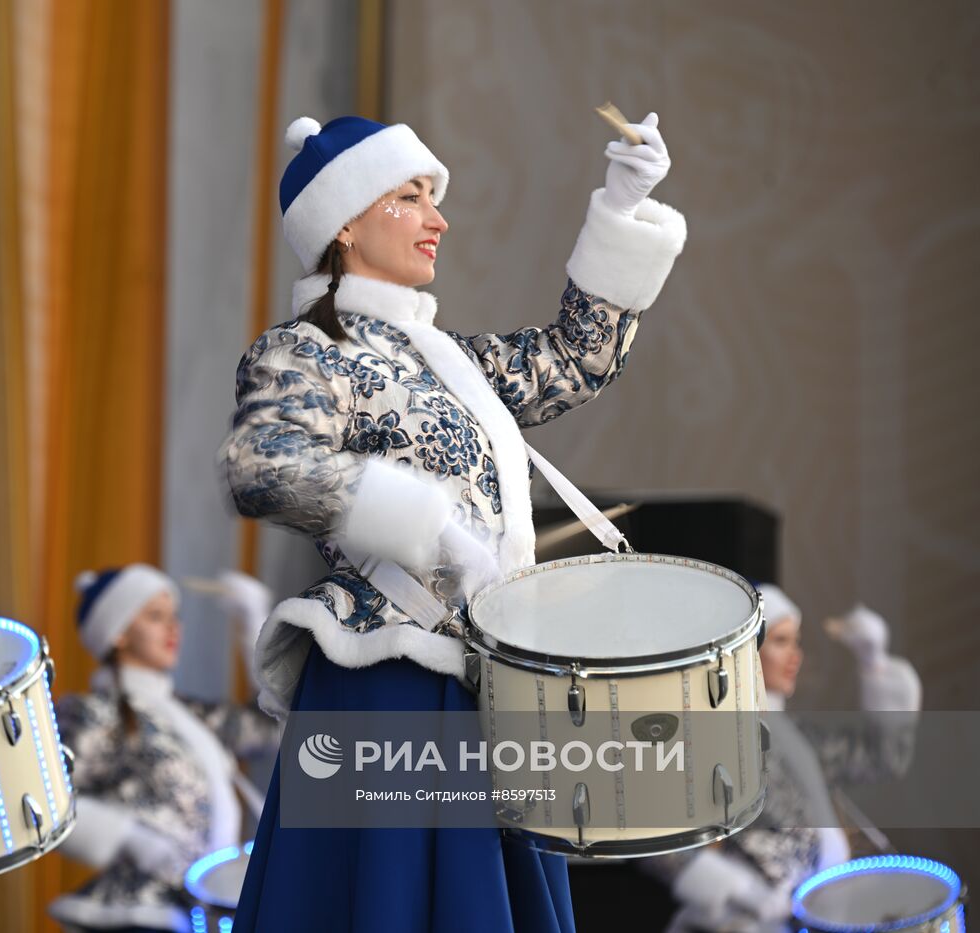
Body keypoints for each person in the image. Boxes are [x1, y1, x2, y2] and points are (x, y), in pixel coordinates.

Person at [219, 112, 686, 931]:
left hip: (486, 684)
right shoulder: (301, 350)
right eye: (411, 196)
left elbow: (570, 361)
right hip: (386, 677)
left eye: (434, 197)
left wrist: (621, 208)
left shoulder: (452, 359)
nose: (439, 219)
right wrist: (421, 523)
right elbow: (261, 466)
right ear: (345, 224)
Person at [650, 584, 921, 932]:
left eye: (797, 641)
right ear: (744, 650)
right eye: (780, 641)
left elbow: (881, 758)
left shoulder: (798, 736)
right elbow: (656, 834)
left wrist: (874, 662)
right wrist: (739, 889)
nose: (796, 655)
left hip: (823, 912)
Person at [50, 565, 281, 933]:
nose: (174, 627)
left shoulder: (191, 715)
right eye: (156, 616)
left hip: (201, 914)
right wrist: (129, 837)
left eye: (175, 616)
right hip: (142, 915)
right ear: (119, 632)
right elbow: (46, 802)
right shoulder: (95, 713)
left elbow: (274, 729)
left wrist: (256, 626)